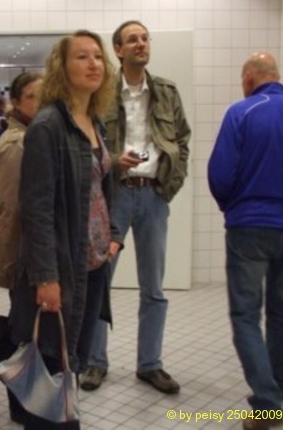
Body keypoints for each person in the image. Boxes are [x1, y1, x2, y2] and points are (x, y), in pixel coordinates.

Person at [9, 30, 116, 430]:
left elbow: (101, 186)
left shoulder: (94, 121)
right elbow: (36, 209)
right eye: (82, 57)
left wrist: (113, 236)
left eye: (98, 57)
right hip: (63, 267)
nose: (93, 64)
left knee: (73, 361)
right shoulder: (48, 126)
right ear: (61, 67)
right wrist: (46, 276)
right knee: (53, 365)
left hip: (93, 263)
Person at [82, 20, 191, 395]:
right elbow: (88, 144)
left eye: (145, 38)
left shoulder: (166, 91)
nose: (142, 44)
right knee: (100, 282)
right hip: (113, 195)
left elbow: (182, 139)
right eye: (133, 40)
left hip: (153, 195)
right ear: (118, 50)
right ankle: (95, 361)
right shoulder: (102, 93)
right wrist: (114, 162)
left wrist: (169, 186)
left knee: (154, 287)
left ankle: (150, 364)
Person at [208, 52, 283, 430]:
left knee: (245, 314)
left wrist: (233, 208)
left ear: (248, 78)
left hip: (249, 227)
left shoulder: (240, 112)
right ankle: (279, 384)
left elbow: (220, 173)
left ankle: (267, 401)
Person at [0, 71, 42, 424]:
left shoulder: (35, 136)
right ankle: (21, 402)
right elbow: (13, 210)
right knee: (24, 332)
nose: (43, 103)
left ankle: (29, 399)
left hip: (33, 255)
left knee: (32, 330)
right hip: (25, 256)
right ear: (17, 103)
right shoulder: (16, 145)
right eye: (34, 96)